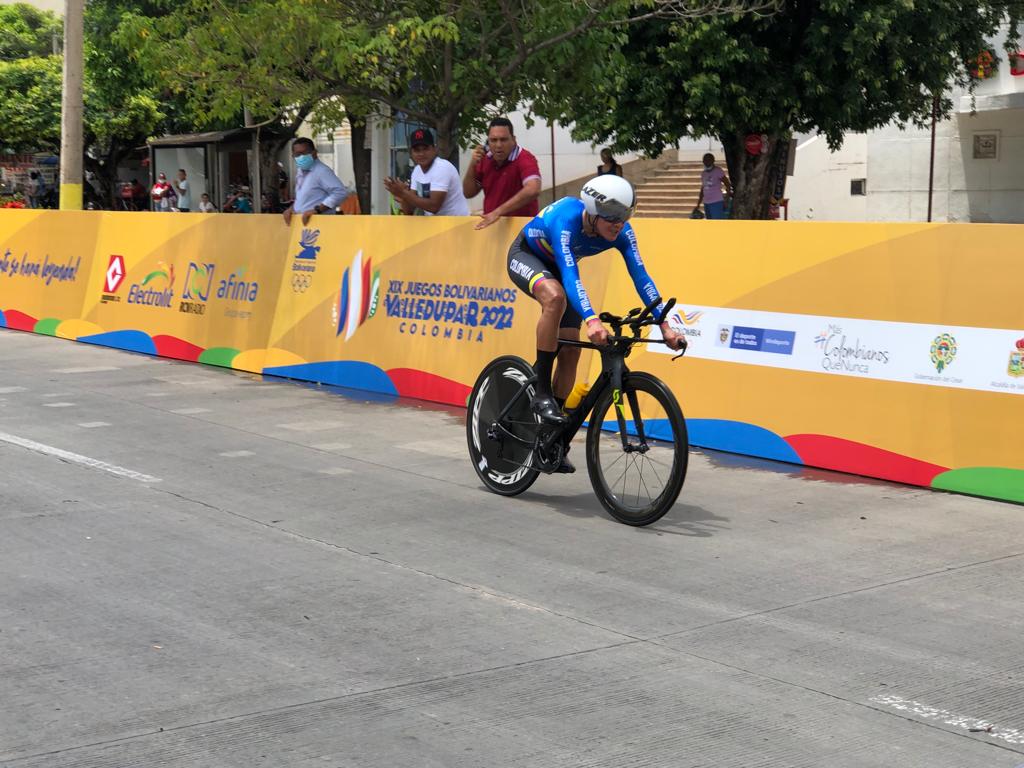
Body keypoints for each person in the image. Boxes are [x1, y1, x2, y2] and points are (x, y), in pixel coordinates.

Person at [505, 175, 686, 470]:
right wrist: (591, 320)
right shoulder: (567, 219)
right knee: (555, 298)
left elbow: (641, 277)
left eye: (625, 215)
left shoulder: (623, 233)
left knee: (572, 352)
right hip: (527, 256)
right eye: (612, 216)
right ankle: (541, 392)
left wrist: (665, 325)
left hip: (561, 272)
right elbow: (570, 274)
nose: (619, 223)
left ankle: (551, 434)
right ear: (591, 210)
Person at [462, 117, 541, 230]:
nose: (498, 145)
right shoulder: (485, 159)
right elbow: (468, 193)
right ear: (488, 141)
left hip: (522, 231)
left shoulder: (524, 158)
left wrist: (497, 212)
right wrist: (472, 164)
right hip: (492, 228)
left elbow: (533, 189)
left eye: (503, 140)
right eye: (493, 140)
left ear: (513, 140)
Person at [382, 128, 469, 216]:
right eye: (417, 150)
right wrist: (403, 196)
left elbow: (434, 206)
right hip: (435, 225)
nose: (421, 154)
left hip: (456, 223)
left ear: (434, 149)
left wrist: (404, 193)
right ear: (411, 153)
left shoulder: (442, 167)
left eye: (425, 149)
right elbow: (409, 211)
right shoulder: (417, 171)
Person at [282, 137, 348, 226]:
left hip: (321, 224)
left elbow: (340, 192)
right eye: (297, 154)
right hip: (303, 225)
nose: (300, 157)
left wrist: (317, 210)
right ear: (293, 156)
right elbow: (304, 199)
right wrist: (291, 209)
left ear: (314, 153)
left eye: (303, 153)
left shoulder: (322, 171)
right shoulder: (301, 172)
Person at [694, 153, 732, 220]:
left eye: (708, 160)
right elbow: (703, 189)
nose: (706, 162)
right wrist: (698, 204)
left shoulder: (718, 171)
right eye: (704, 160)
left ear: (713, 160)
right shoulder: (703, 173)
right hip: (706, 203)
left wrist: (727, 199)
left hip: (716, 202)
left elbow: (728, 184)